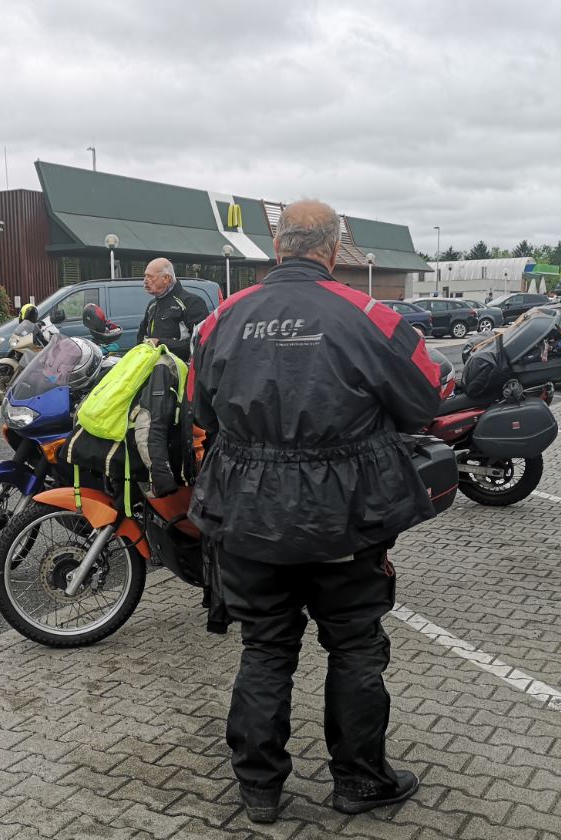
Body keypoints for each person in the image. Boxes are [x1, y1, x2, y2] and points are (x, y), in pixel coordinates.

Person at [188, 200, 442, 823]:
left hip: (248, 512)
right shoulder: (372, 316)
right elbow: (424, 399)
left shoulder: (221, 318)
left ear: (279, 247)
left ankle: (259, 790)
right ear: (333, 250)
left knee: (265, 646)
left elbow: (201, 411)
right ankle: (360, 781)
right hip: (344, 517)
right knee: (354, 644)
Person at [136, 257, 209, 362]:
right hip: (153, 365)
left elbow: (202, 342)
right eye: (145, 276)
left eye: (151, 277)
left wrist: (160, 343)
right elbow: (141, 337)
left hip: (182, 367)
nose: (145, 281)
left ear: (166, 278)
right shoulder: (152, 305)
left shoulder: (192, 302)